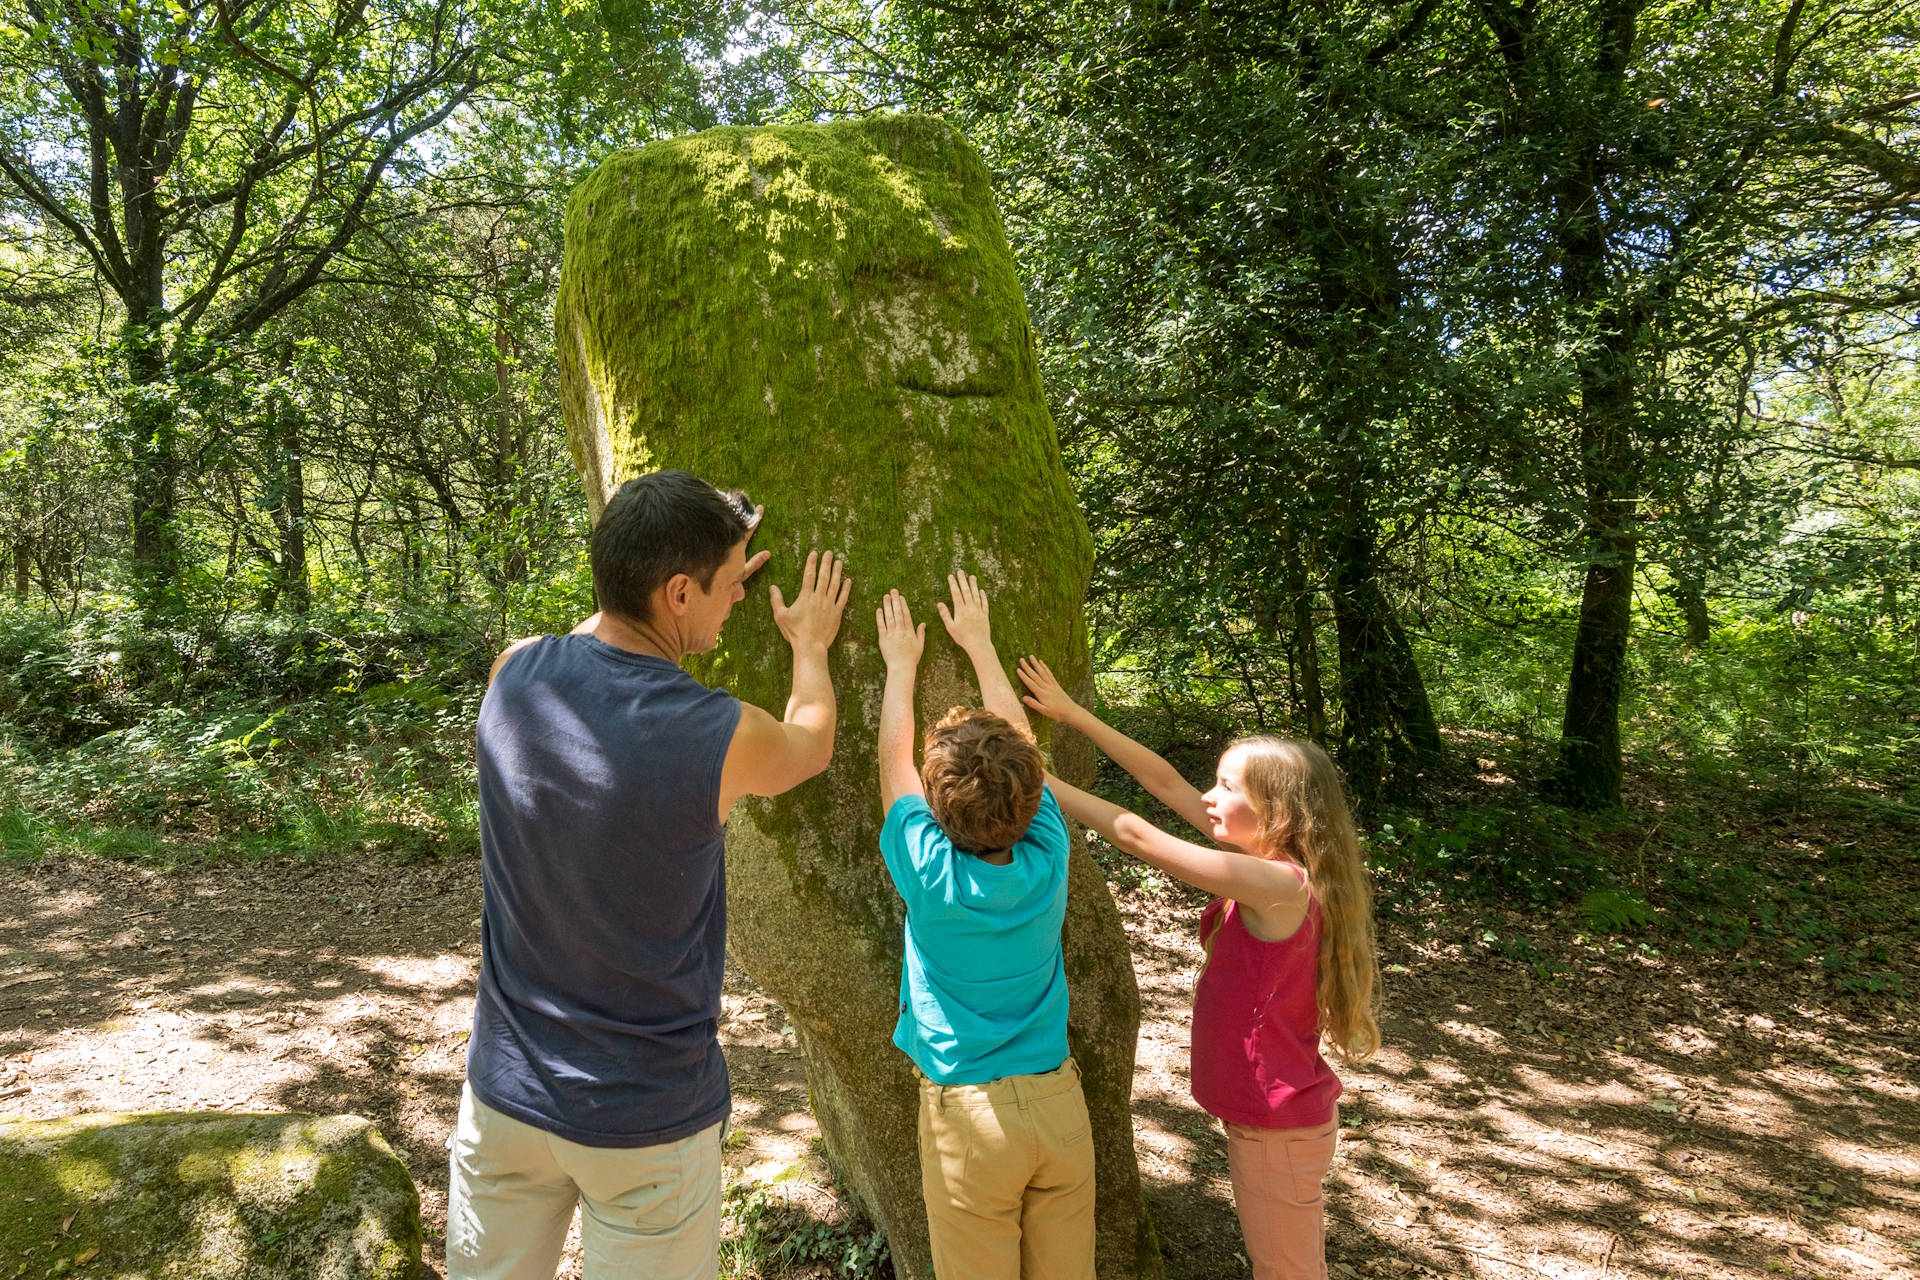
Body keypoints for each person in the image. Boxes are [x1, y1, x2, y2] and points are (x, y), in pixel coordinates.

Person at [447, 470, 852, 1280]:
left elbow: (593, 634)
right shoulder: (716, 733)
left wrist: (706, 548)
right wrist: (810, 645)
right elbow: (811, 745)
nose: (740, 596)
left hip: (505, 1098)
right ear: (676, 593)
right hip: (646, 1123)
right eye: (732, 584)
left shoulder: (513, 674)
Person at [1016, 656, 1381, 1280]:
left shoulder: (1277, 884)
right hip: (1271, 1126)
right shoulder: (1269, 863)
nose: (1209, 798)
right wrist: (1076, 716)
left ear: (1280, 812)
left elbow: (1135, 834)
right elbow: (1161, 782)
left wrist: (1035, 780)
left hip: (1277, 1131)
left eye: (1228, 789)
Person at [871, 573, 1095, 1280]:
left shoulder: (931, 875)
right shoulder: (1049, 850)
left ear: (939, 813)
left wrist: (901, 665)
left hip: (970, 1118)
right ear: (1032, 793)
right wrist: (981, 644)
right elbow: (1024, 743)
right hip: (1059, 1104)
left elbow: (892, 766)